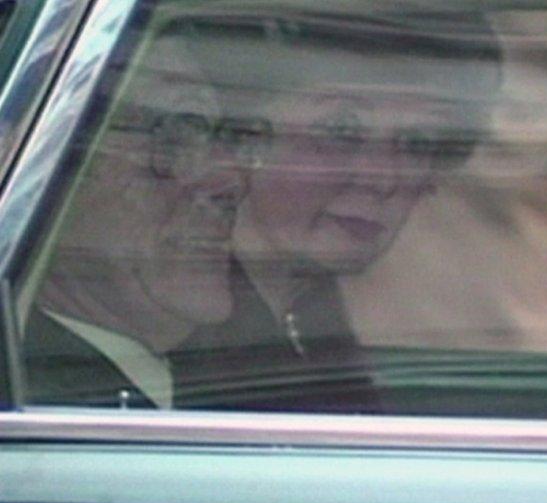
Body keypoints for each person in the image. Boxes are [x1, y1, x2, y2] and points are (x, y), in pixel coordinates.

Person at [173, 11, 501, 411]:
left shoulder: (312, 316)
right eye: (340, 131)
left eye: (417, 142)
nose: (383, 178)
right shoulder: (181, 333)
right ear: (242, 140)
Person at [22, 34, 260, 408]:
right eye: (176, 137)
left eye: (229, 138)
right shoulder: (45, 411)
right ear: (49, 165)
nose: (233, 179)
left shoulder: (247, 372)